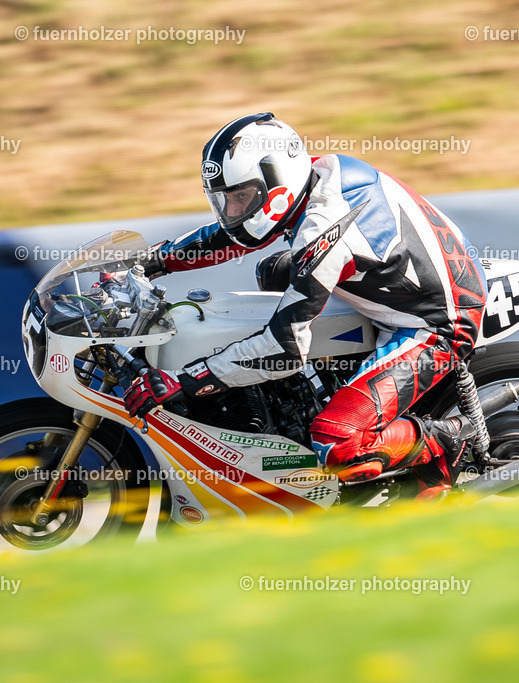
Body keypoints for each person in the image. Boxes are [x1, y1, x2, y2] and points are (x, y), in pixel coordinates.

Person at [123, 112, 486, 498]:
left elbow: (284, 349)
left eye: (241, 197)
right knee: (274, 271)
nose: (231, 211)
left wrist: (186, 381)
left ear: (276, 182)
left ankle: (447, 439)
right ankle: (311, 399)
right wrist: (156, 260)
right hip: (398, 278)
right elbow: (238, 234)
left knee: (336, 442)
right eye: (225, 199)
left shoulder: (322, 228)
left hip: (436, 322)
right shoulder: (315, 175)